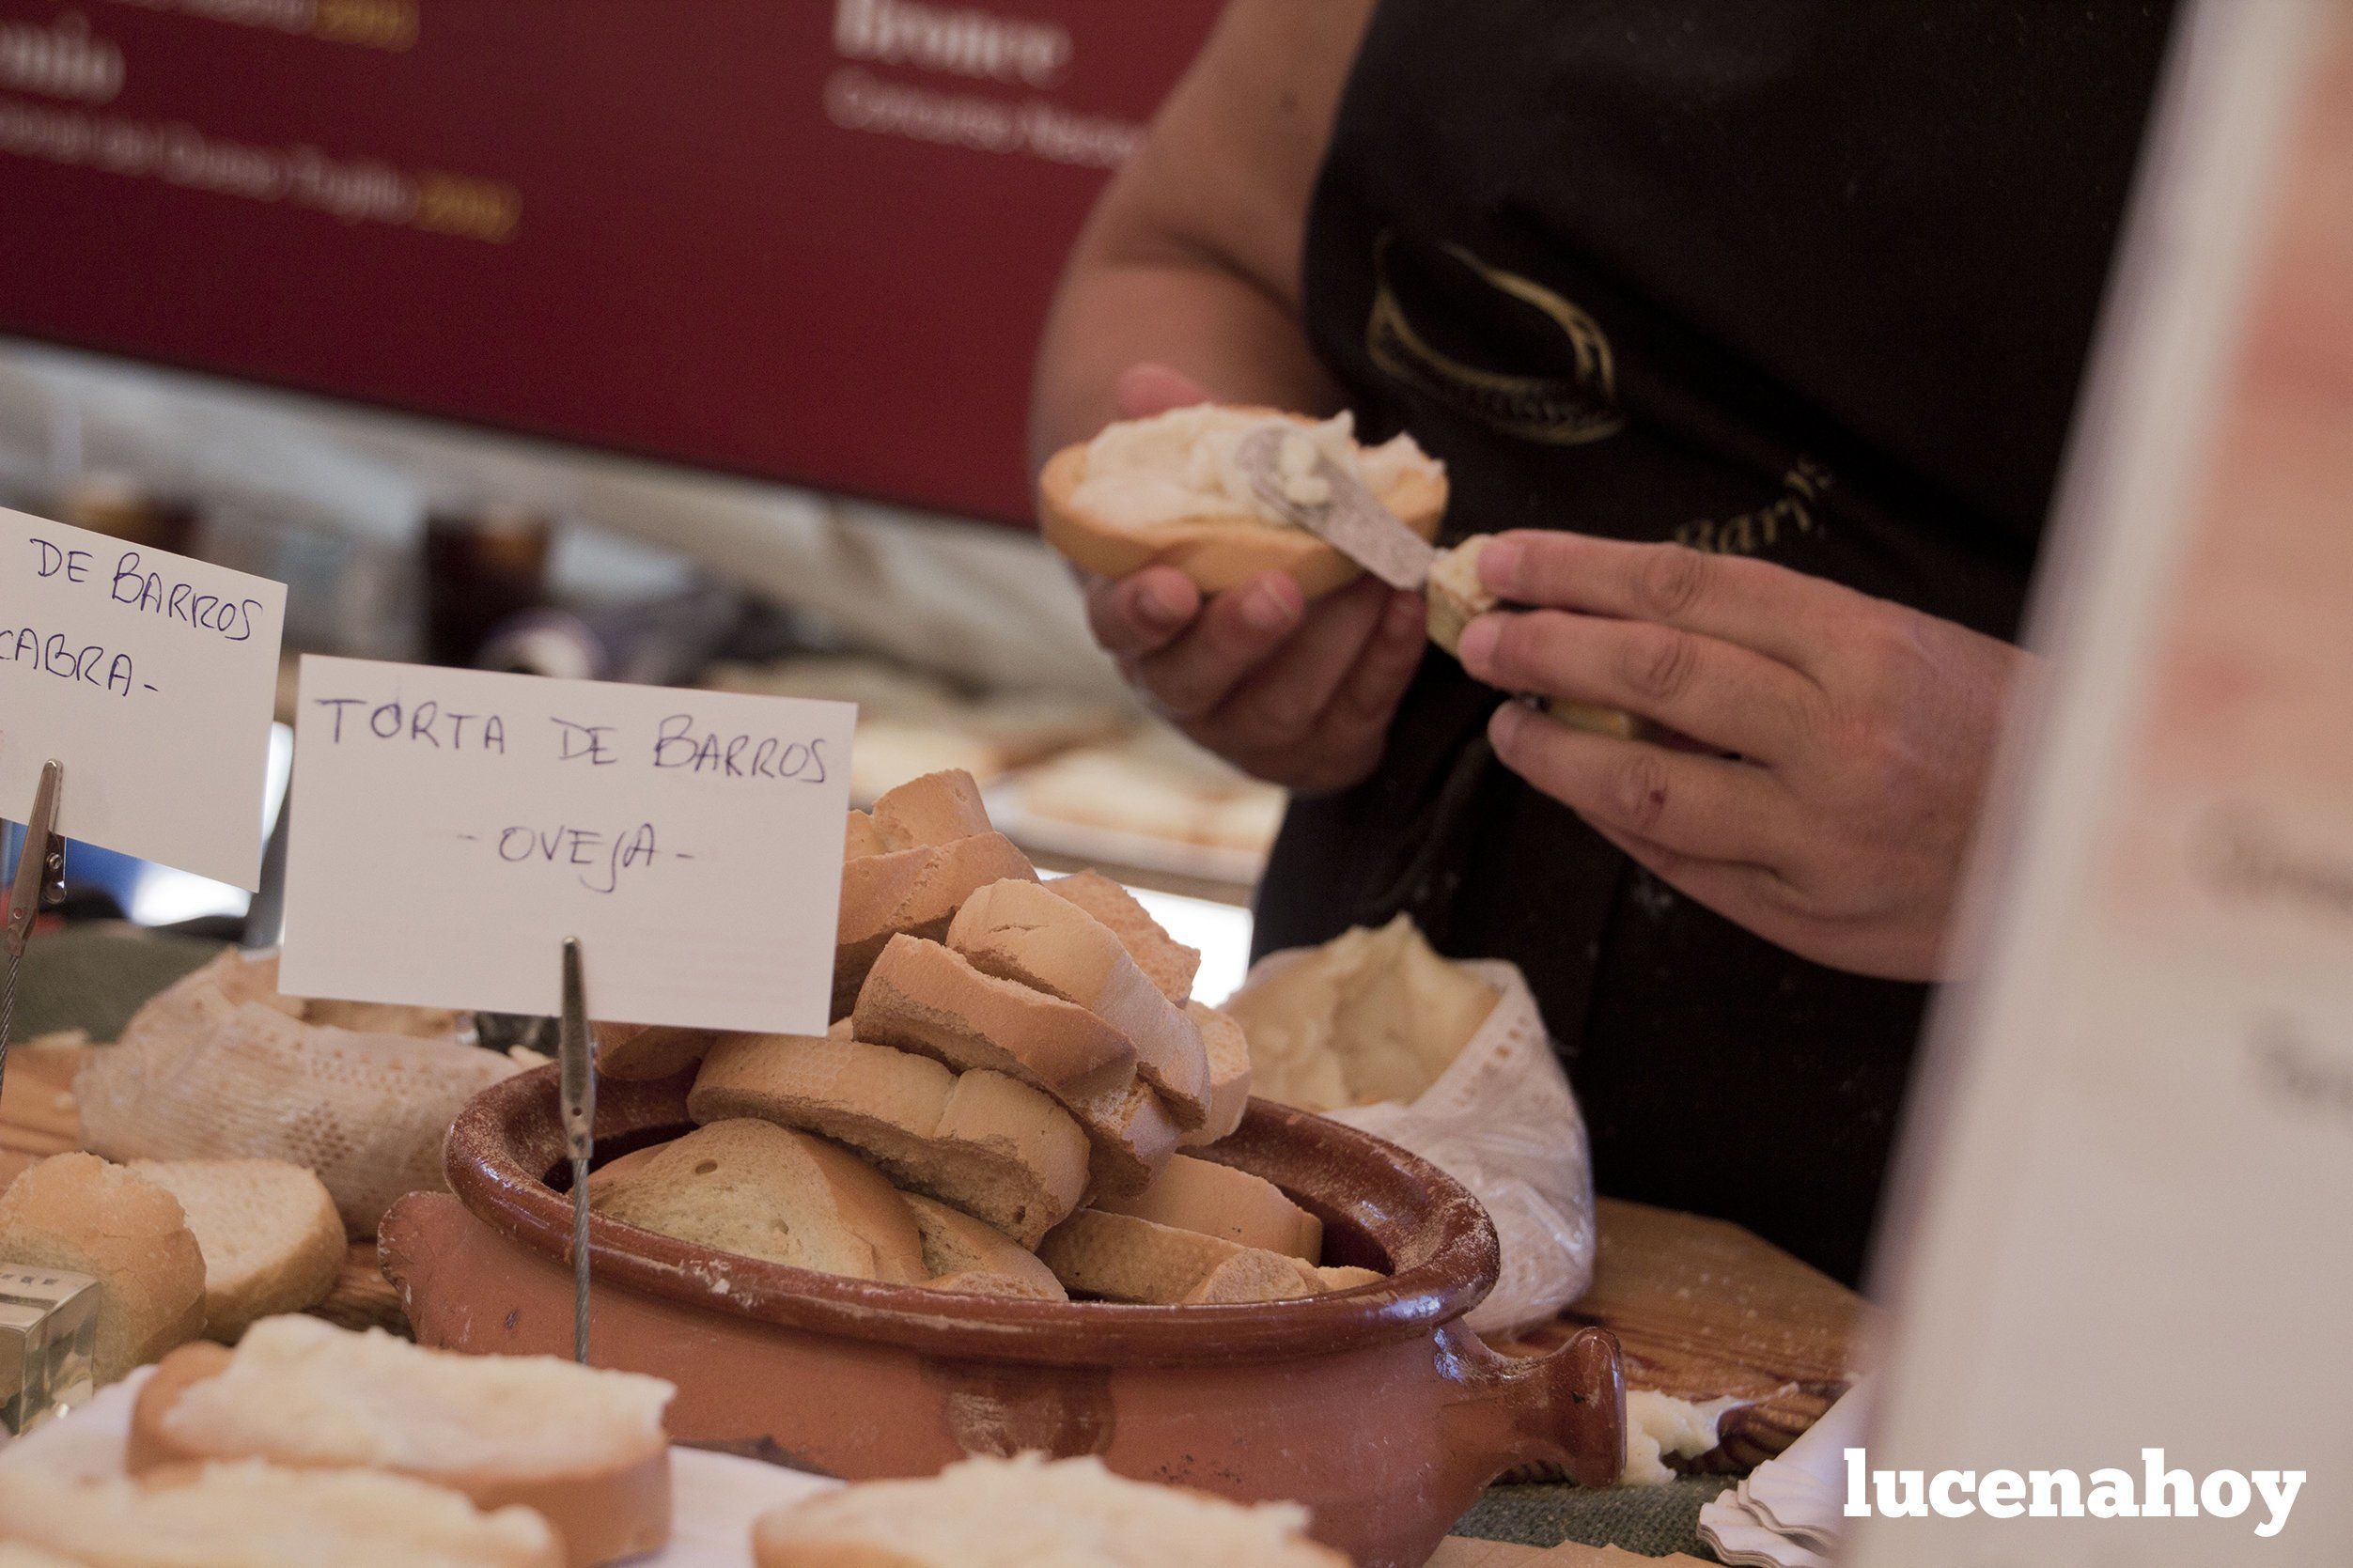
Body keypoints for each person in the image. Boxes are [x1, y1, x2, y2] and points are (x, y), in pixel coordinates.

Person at [1030, 1, 2175, 1283]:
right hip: (1371, 1106)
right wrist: (1234, 541)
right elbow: (1187, 259)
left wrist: (2126, 813)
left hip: (2082, 1198)